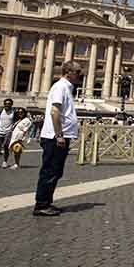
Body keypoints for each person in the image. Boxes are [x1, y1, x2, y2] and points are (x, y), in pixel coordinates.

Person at [33, 61, 82, 216]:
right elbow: (55, 112)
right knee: (49, 171)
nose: (80, 75)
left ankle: (46, 203)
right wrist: (59, 135)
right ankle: (41, 205)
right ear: (68, 72)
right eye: (78, 72)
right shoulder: (60, 87)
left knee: (55, 171)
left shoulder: (66, 88)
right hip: (55, 137)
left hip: (59, 136)